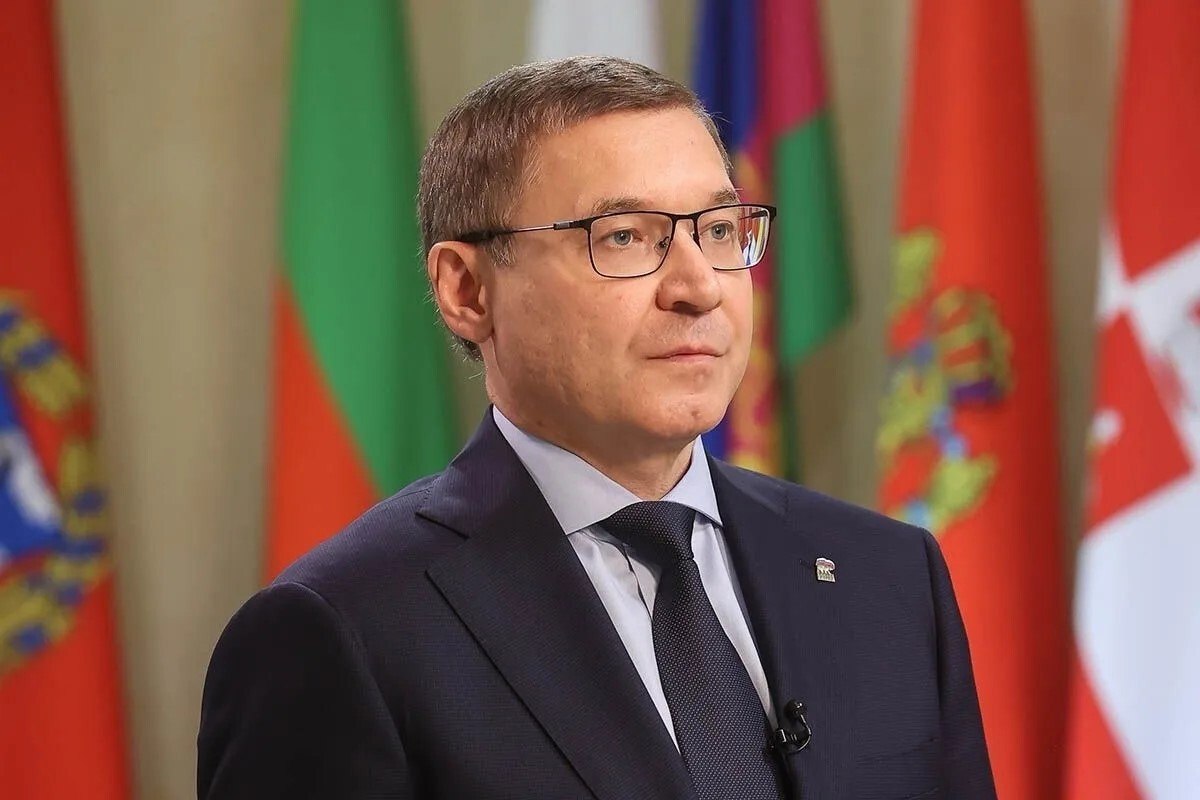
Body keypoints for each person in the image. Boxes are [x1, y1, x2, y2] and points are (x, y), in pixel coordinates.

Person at [197, 56, 995, 799]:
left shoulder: (888, 575)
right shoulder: (340, 630)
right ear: (467, 290)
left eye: (718, 231)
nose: (699, 287)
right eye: (624, 238)